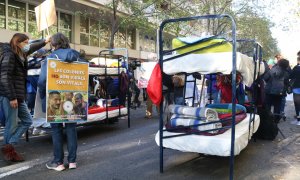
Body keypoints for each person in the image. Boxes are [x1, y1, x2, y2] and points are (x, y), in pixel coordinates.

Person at [0, 33, 50, 162]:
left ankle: (9, 145)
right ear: (17, 42)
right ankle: (9, 152)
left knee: (28, 120)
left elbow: (32, 48)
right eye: (25, 42)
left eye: (28, 42)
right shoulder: (10, 55)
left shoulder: (20, 54)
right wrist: (12, 97)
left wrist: (45, 41)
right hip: (10, 96)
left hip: (18, 95)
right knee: (11, 124)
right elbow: (5, 77)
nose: (27, 45)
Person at [38, 33, 83, 171]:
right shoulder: (78, 57)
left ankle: (58, 163)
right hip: (72, 99)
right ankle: (72, 161)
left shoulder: (51, 58)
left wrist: (42, 95)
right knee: (71, 129)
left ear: (53, 44)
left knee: (57, 130)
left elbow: (42, 81)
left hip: (54, 97)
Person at [264, 59, 290, 123]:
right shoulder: (286, 73)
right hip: (280, 92)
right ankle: (276, 120)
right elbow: (286, 83)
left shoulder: (272, 70)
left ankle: (267, 119)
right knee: (277, 106)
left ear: (279, 63)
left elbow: (265, 78)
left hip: (269, 91)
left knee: (268, 105)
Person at [289, 56, 300, 122]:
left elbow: (290, 76)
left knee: (297, 103)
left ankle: (298, 116)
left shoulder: (296, 68)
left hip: (296, 88)